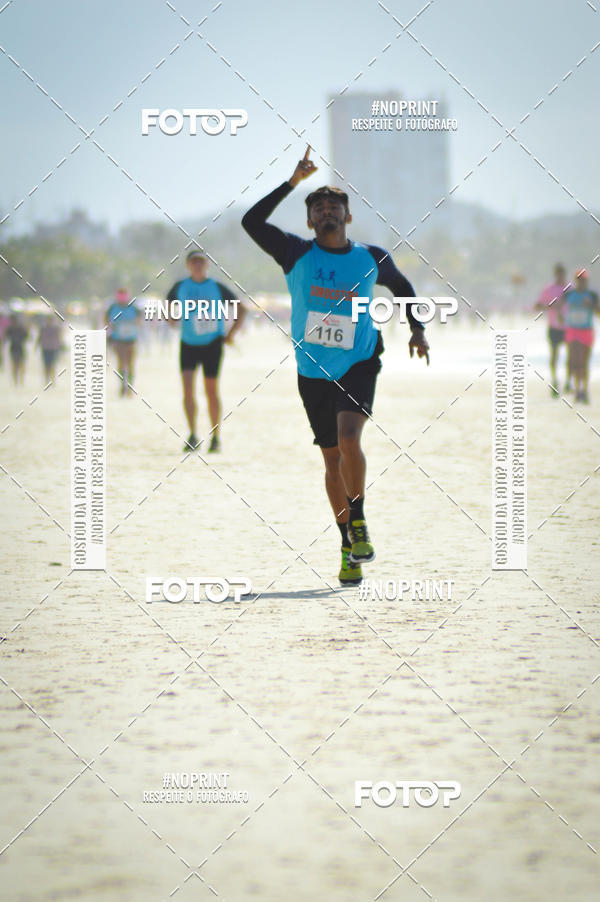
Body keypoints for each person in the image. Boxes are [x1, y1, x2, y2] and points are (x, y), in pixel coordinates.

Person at [242, 146, 429, 586]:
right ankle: (348, 543)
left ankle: (359, 518)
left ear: (347, 217)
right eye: (319, 208)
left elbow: (403, 288)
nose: (327, 212)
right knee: (331, 461)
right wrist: (292, 183)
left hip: (360, 359)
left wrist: (417, 330)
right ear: (310, 220)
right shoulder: (294, 253)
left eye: (335, 207)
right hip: (312, 370)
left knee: (349, 438)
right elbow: (251, 222)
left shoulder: (371, 257)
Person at [167, 250, 246, 453]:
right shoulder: (181, 286)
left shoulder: (217, 287)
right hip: (188, 343)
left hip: (212, 344)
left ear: (207, 265)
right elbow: (167, 304)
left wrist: (231, 334)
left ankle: (216, 436)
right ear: (188, 265)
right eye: (194, 262)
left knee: (211, 390)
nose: (198, 266)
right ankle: (192, 434)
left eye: (201, 262)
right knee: (188, 389)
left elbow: (242, 309)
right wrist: (171, 318)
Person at [560, 269, 597, 403]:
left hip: (586, 330)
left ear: (587, 281)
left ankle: (584, 389)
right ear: (576, 281)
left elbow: (598, 312)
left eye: (584, 279)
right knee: (575, 362)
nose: (582, 282)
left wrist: (591, 306)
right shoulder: (569, 294)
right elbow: (560, 307)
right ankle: (577, 390)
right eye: (579, 279)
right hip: (572, 330)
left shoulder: (592, 295)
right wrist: (560, 316)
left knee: (584, 363)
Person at [534, 263, 570, 395]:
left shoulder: (570, 288)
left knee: (571, 356)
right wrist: (551, 306)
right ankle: (555, 381)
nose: (560, 276)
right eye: (558, 274)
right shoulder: (549, 289)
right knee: (554, 355)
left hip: (569, 327)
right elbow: (537, 306)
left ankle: (568, 381)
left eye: (562, 274)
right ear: (555, 274)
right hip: (554, 327)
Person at [106, 289, 141, 396]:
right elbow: (106, 320)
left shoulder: (134, 307)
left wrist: (132, 325)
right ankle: (122, 385)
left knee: (130, 364)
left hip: (131, 339)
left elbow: (140, 319)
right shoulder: (113, 307)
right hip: (118, 339)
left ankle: (129, 386)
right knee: (121, 363)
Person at [37, 315, 63, 382]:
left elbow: (59, 338)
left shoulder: (56, 328)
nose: (49, 322)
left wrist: (60, 346)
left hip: (53, 348)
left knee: (52, 365)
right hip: (45, 348)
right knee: (46, 365)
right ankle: (46, 379)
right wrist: (37, 344)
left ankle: (52, 380)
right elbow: (39, 337)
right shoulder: (43, 328)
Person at [6, 313, 28, 385]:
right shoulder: (10, 329)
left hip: (20, 348)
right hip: (14, 348)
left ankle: (20, 380)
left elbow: (26, 336)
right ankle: (16, 381)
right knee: (15, 365)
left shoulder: (21, 328)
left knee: (20, 365)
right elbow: (6, 337)